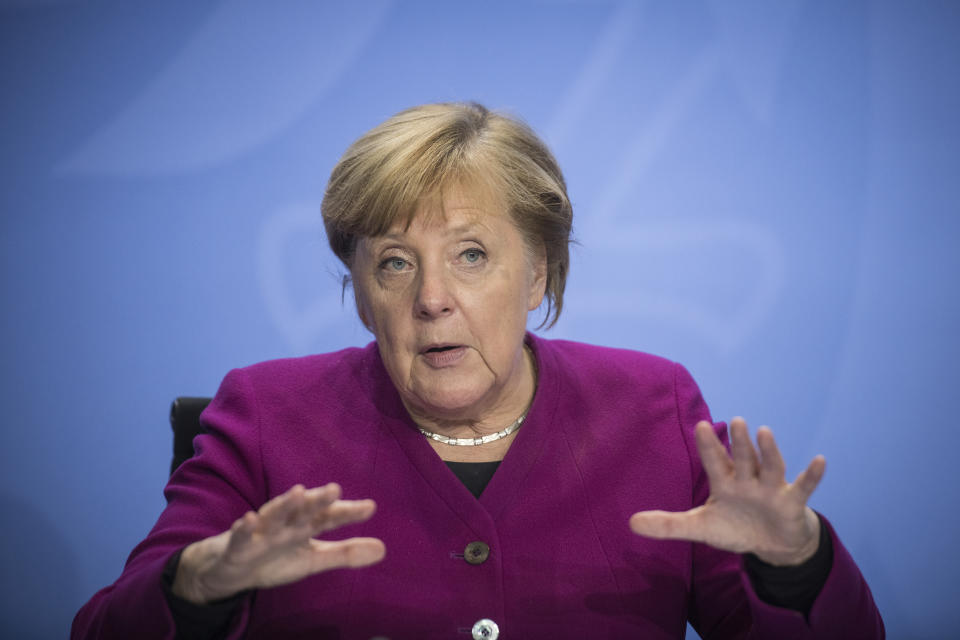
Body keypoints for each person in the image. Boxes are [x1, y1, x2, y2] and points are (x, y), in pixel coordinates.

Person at [72, 102, 883, 639]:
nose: (432, 298)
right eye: (394, 263)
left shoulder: (652, 408)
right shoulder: (265, 416)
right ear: (359, 292)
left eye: (471, 255)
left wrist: (796, 565)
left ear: (537, 276)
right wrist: (198, 586)